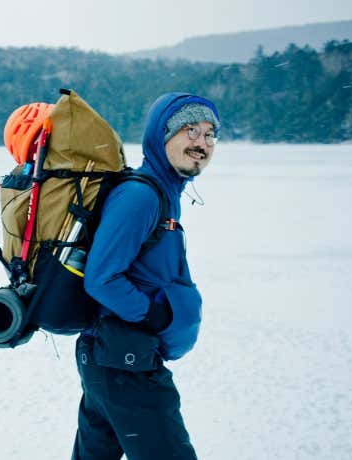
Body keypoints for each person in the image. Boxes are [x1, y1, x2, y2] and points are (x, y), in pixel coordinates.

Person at [71, 93, 221, 460]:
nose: (201, 143)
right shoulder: (141, 196)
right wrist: (154, 316)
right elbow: (101, 278)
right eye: (190, 130)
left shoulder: (163, 194)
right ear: (162, 135)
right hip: (127, 365)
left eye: (210, 134)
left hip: (114, 358)